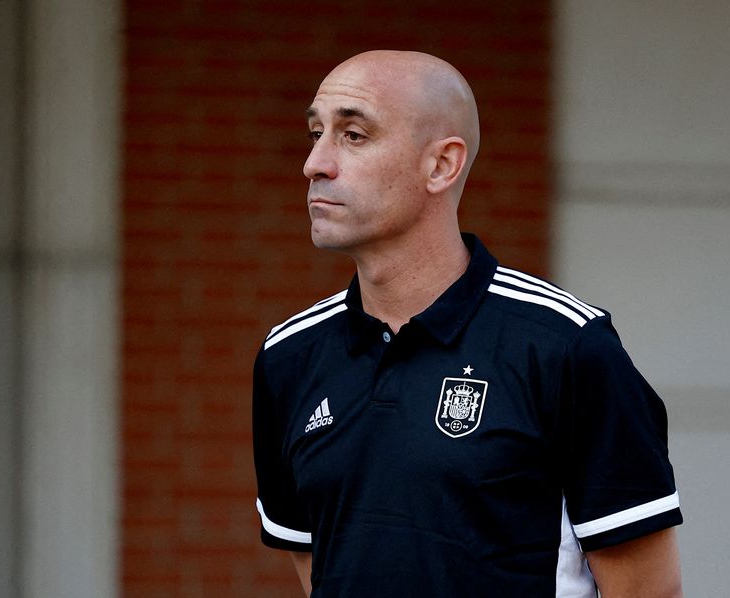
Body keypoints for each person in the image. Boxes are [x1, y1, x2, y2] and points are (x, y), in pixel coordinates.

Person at [253, 50, 683, 597]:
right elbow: (321, 572)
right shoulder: (287, 357)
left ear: (441, 165)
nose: (315, 163)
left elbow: (648, 591)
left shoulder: (565, 347)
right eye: (315, 133)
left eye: (353, 135)